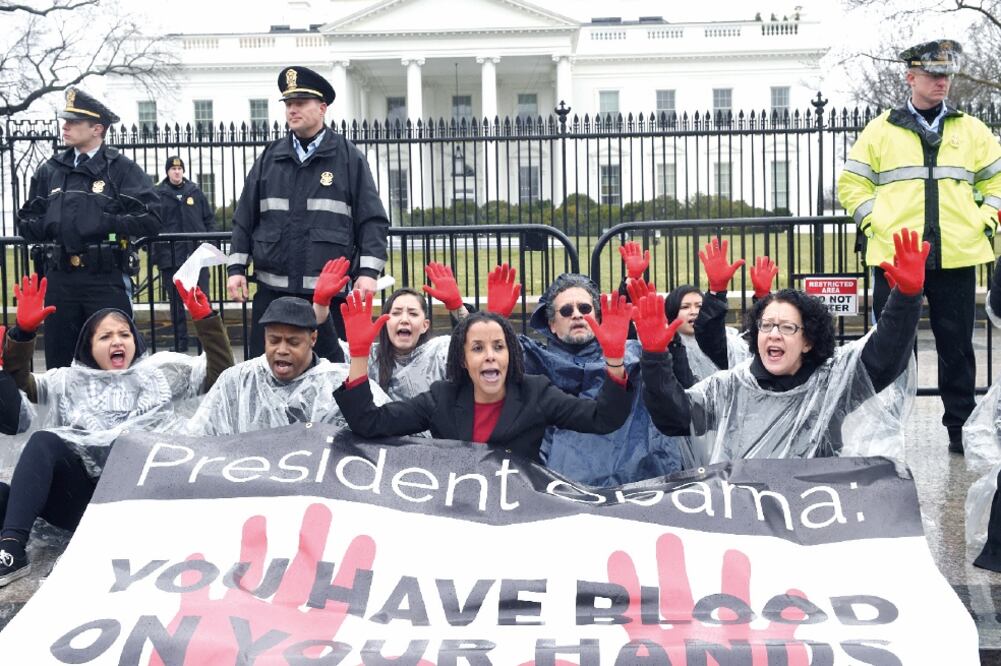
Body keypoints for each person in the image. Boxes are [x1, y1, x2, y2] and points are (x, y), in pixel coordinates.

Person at [0, 274, 233, 586]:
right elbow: (20, 384)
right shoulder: (67, 381)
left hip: (146, 496)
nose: (117, 341)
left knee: (126, 444)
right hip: (84, 500)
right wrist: (23, 333)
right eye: (105, 336)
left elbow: (218, 374)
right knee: (44, 443)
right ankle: (12, 548)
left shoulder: (160, 375)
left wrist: (206, 321)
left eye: (124, 333)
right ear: (89, 348)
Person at [636, 229, 926, 465]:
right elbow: (675, 417)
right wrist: (654, 356)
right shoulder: (730, 387)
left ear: (808, 340)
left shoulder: (832, 382)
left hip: (816, 509)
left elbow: (884, 357)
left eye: (787, 328)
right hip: (744, 511)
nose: (774, 335)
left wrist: (907, 298)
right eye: (766, 325)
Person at [837, 39, 1001, 454]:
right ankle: (885, 433)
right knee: (891, 349)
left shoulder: (972, 130)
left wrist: (984, 222)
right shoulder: (880, 129)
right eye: (932, 74)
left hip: (957, 256)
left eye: (946, 74)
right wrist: (875, 222)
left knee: (957, 348)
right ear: (910, 77)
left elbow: (997, 182)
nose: (942, 81)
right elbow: (851, 185)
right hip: (896, 260)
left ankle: (959, 432)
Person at [333, 291, 635, 462]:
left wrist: (614, 362)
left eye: (499, 347)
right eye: (478, 348)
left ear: (510, 355)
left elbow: (603, 419)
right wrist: (359, 356)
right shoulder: (442, 399)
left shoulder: (536, 393)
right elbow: (368, 422)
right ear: (463, 361)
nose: (490, 355)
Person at [227, 65, 389, 357]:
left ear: (322, 108)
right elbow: (244, 219)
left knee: (330, 377)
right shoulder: (269, 158)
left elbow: (372, 221)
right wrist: (236, 268)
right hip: (273, 292)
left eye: (300, 103)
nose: (292, 110)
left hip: (328, 296)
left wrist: (367, 273)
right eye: (289, 104)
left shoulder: (349, 158)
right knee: (267, 374)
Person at [17, 87, 161, 369]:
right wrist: (50, 223)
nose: (65, 126)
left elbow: (151, 218)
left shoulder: (120, 169)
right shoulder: (51, 170)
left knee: (111, 362)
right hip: (60, 278)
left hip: (103, 277)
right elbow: (27, 220)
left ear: (97, 129)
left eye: (74, 122)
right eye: (65, 120)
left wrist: (106, 221)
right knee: (60, 363)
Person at [519, 270, 690, 485]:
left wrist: (658, 354)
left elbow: (678, 413)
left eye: (584, 308)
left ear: (598, 316)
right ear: (551, 324)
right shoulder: (533, 361)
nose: (577, 315)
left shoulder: (635, 354)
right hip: (561, 496)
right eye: (566, 310)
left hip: (639, 487)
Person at [186, 294, 388, 436]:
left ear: (313, 339)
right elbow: (199, 437)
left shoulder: (339, 383)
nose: (281, 350)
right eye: (274, 341)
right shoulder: (237, 380)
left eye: (293, 342)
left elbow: (379, 426)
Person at [152, 155, 216, 352]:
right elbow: (152, 225)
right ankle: (181, 344)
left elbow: (209, 220)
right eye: (173, 169)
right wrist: (156, 254)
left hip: (195, 255)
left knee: (201, 299)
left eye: (180, 169)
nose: (177, 172)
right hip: (170, 257)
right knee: (177, 304)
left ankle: (205, 344)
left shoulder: (195, 192)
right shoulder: (159, 194)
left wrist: (209, 246)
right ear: (168, 172)